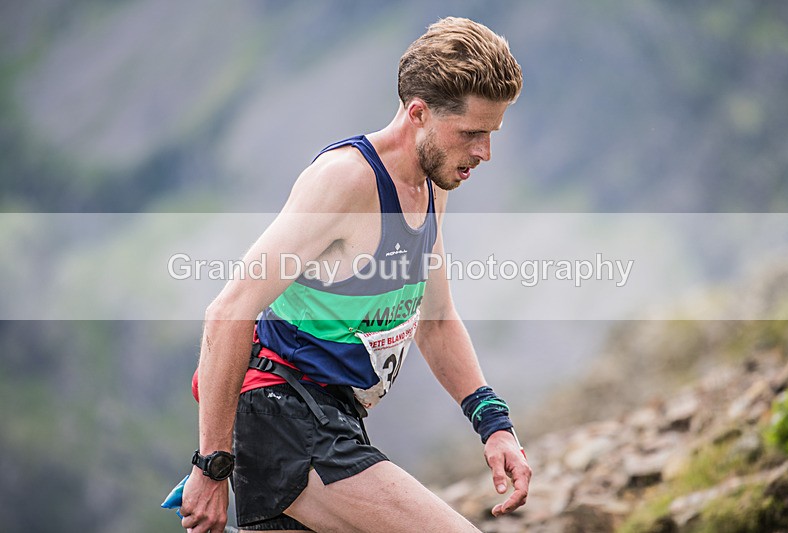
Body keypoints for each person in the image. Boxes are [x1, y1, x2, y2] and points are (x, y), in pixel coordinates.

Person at [180, 16, 530, 533]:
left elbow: (435, 320)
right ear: (419, 113)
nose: (485, 152)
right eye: (472, 133)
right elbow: (230, 310)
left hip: (336, 419)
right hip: (286, 417)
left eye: (492, 133)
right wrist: (211, 467)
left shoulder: (435, 187)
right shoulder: (346, 180)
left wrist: (494, 426)